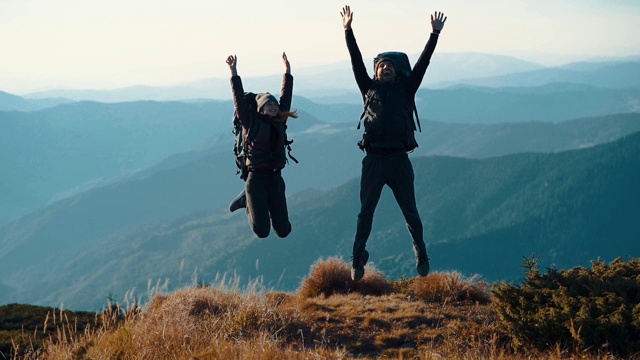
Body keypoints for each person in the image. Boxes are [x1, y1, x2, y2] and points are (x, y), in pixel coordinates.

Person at [340, 5, 447, 281]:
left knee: (410, 211)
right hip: (373, 160)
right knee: (365, 213)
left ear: (396, 72)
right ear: (375, 73)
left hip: (399, 159)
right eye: (380, 65)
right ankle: (357, 259)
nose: (384, 67)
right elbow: (355, 61)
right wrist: (348, 31)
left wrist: (433, 35)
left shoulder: (406, 89)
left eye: (388, 65)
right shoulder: (368, 89)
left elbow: (423, 64)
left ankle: (421, 253)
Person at [225, 52, 298, 238]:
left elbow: (286, 96)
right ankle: (247, 201)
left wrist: (288, 71)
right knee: (262, 231)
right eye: (268, 104)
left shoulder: (279, 123)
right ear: (260, 109)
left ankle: (252, 201)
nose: (274, 106)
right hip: (255, 179)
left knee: (284, 230)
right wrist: (233, 72)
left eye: (275, 104)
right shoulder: (250, 122)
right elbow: (239, 101)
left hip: (275, 177)